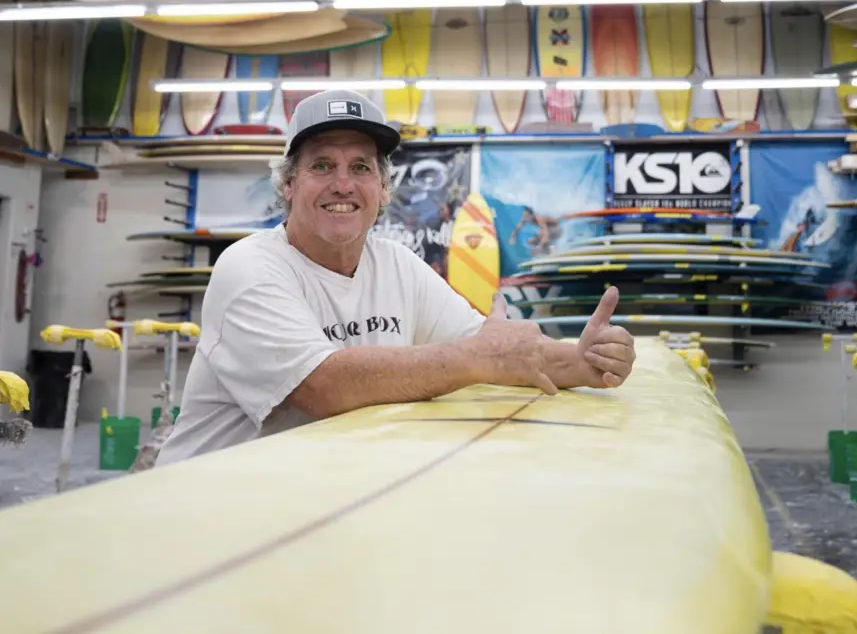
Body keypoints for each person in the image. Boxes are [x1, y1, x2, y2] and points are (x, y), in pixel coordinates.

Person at [156, 89, 636, 465]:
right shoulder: (249, 266)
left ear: (384, 189)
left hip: (302, 500)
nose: (343, 183)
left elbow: (498, 353)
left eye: (360, 167)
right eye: (322, 165)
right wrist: (475, 358)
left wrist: (586, 360)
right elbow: (322, 387)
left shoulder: (397, 264)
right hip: (208, 509)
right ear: (288, 184)